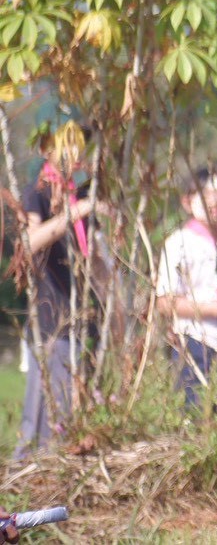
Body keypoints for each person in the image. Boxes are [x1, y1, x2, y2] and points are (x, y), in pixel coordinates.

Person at [13, 122, 98, 460]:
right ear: (48, 149)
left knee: (72, 420)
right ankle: (22, 483)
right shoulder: (37, 192)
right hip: (51, 322)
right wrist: (74, 212)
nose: (75, 152)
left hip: (83, 324)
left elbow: (96, 261)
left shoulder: (83, 196)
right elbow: (29, 243)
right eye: (67, 143)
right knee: (41, 422)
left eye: (80, 145)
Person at [155, 168, 217, 410]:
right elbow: (165, 302)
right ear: (187, 202)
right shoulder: (179, 243)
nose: (215, 202)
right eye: (207, 195)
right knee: (196, 416)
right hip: (195, 343)